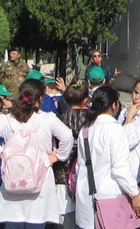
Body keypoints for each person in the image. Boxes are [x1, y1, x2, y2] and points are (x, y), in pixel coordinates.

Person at [0, 77, 74, 227]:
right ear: (41, 98)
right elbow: (67, 136)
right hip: (41, 180)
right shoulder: (47, 119)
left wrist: (0, 153)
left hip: (13, 181)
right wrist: (58, 156)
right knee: (37, 221)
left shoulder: (7, 119)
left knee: (13, 222)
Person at [75, 86, 140, 228]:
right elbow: (120, 169)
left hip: (85, 197)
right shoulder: (115, 129)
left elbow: (79, 166)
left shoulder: (86, 129)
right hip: (109, 199)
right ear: (114, 105)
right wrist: (135, 193)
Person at [54, 81, 93, 229]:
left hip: (62, 172)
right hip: (85, 172)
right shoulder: (92, 119)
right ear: (86, 99)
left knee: (64, 216)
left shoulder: (59, 118)